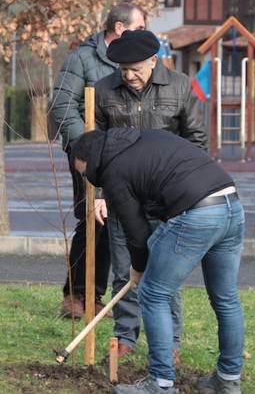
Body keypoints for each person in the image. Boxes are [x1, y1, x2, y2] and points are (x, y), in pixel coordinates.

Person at [71, 128, 245, 394]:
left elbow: (137, 233)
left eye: (84, 172)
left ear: (91, 158)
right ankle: (228, 379)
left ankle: (160, 383)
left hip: (197, 213)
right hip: (231, 205)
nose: (87, 178)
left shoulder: (113, 172)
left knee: (154, 294)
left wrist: (139, 268)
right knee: (226, 298)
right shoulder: (143, 138)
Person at [93, 29, 206, 362]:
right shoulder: (103, 91)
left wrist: (186, 192)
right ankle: (125, 337)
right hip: (120, 196)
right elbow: (96, 147)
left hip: (167, 200)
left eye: (136, 69)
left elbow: (196, 142)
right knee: (124, 271)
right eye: (123, 69)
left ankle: (169, 342)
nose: (129, 76)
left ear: (154, 60)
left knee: (165, 271)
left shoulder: (180, 86)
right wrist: (100, 191)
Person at [49, 4, 147, 318]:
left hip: (126, 153)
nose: (145, 32)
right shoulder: (82, 59)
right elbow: (63, 107)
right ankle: (76, 295)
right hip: (89, 154)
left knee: (117, 221)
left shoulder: (134, 60)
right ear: (120, 28)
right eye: (140, 25)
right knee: (92, 219)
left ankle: (97, 295)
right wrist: (90, 147)